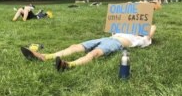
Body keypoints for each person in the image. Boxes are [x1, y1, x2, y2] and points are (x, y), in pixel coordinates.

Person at [21, 24, 156, 72]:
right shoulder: (125, 27)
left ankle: (69, 65)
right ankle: (45, 56)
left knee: (95, 53)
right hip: (108, 38)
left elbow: (152, 29)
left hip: (118, 43)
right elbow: (126, 14)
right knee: (75, 46)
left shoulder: (142, 39)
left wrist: (146, 27)